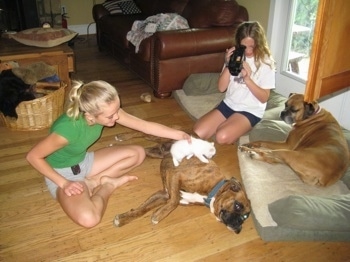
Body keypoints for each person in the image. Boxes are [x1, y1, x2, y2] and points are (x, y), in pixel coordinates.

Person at [26, 80, 190, 228]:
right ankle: (108, 186)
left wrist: (179, 135)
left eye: (117, 110)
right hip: (62, 174)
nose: (117, 116)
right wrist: (64, 183)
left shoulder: (107, 111)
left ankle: (94, 181)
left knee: (138, 153)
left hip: (84, 161)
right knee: (89, 219)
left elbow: (144, 125)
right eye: (111, 116)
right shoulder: (67, 129)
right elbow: (33, 157)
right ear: (90, 116)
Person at [193, 21, 275, 144]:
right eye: (244, 46)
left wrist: (248, 79)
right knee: (198, 132)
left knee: (221, 137)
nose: (247, 51)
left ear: (259, 43)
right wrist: (228, 65)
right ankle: (232, 124)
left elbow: (264, 98)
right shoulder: (236, 55)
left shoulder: (266, 62)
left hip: (250, 110)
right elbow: (221, 88)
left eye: (252, 46)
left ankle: (243, 125)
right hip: (229, 104)